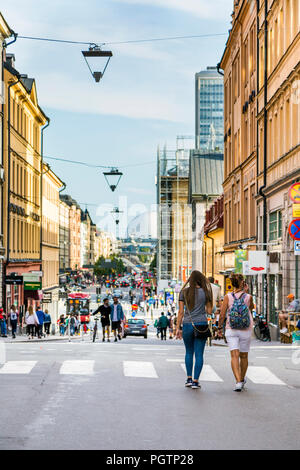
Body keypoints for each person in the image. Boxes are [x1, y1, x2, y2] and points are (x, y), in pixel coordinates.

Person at [176, 271, 213, 390]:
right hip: (201, 324)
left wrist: (177, 328)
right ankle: (196, 381)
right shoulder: (206, 292)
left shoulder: (184, 292)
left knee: (188, 352)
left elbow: (181, 312)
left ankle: (188, 378)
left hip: (187, 324)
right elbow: (209, 311)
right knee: (199, 354)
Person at [217, 273, 254, 392]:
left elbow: (222, 314)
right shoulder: (248, 297)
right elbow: (251, 308)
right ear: (243, 283)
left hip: (231, 329)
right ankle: (242, 379)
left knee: (234, 355)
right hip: (245, 330)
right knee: (244, 356)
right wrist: (246, 292)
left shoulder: (227, 297)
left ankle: (238, 381)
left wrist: (219, 327)